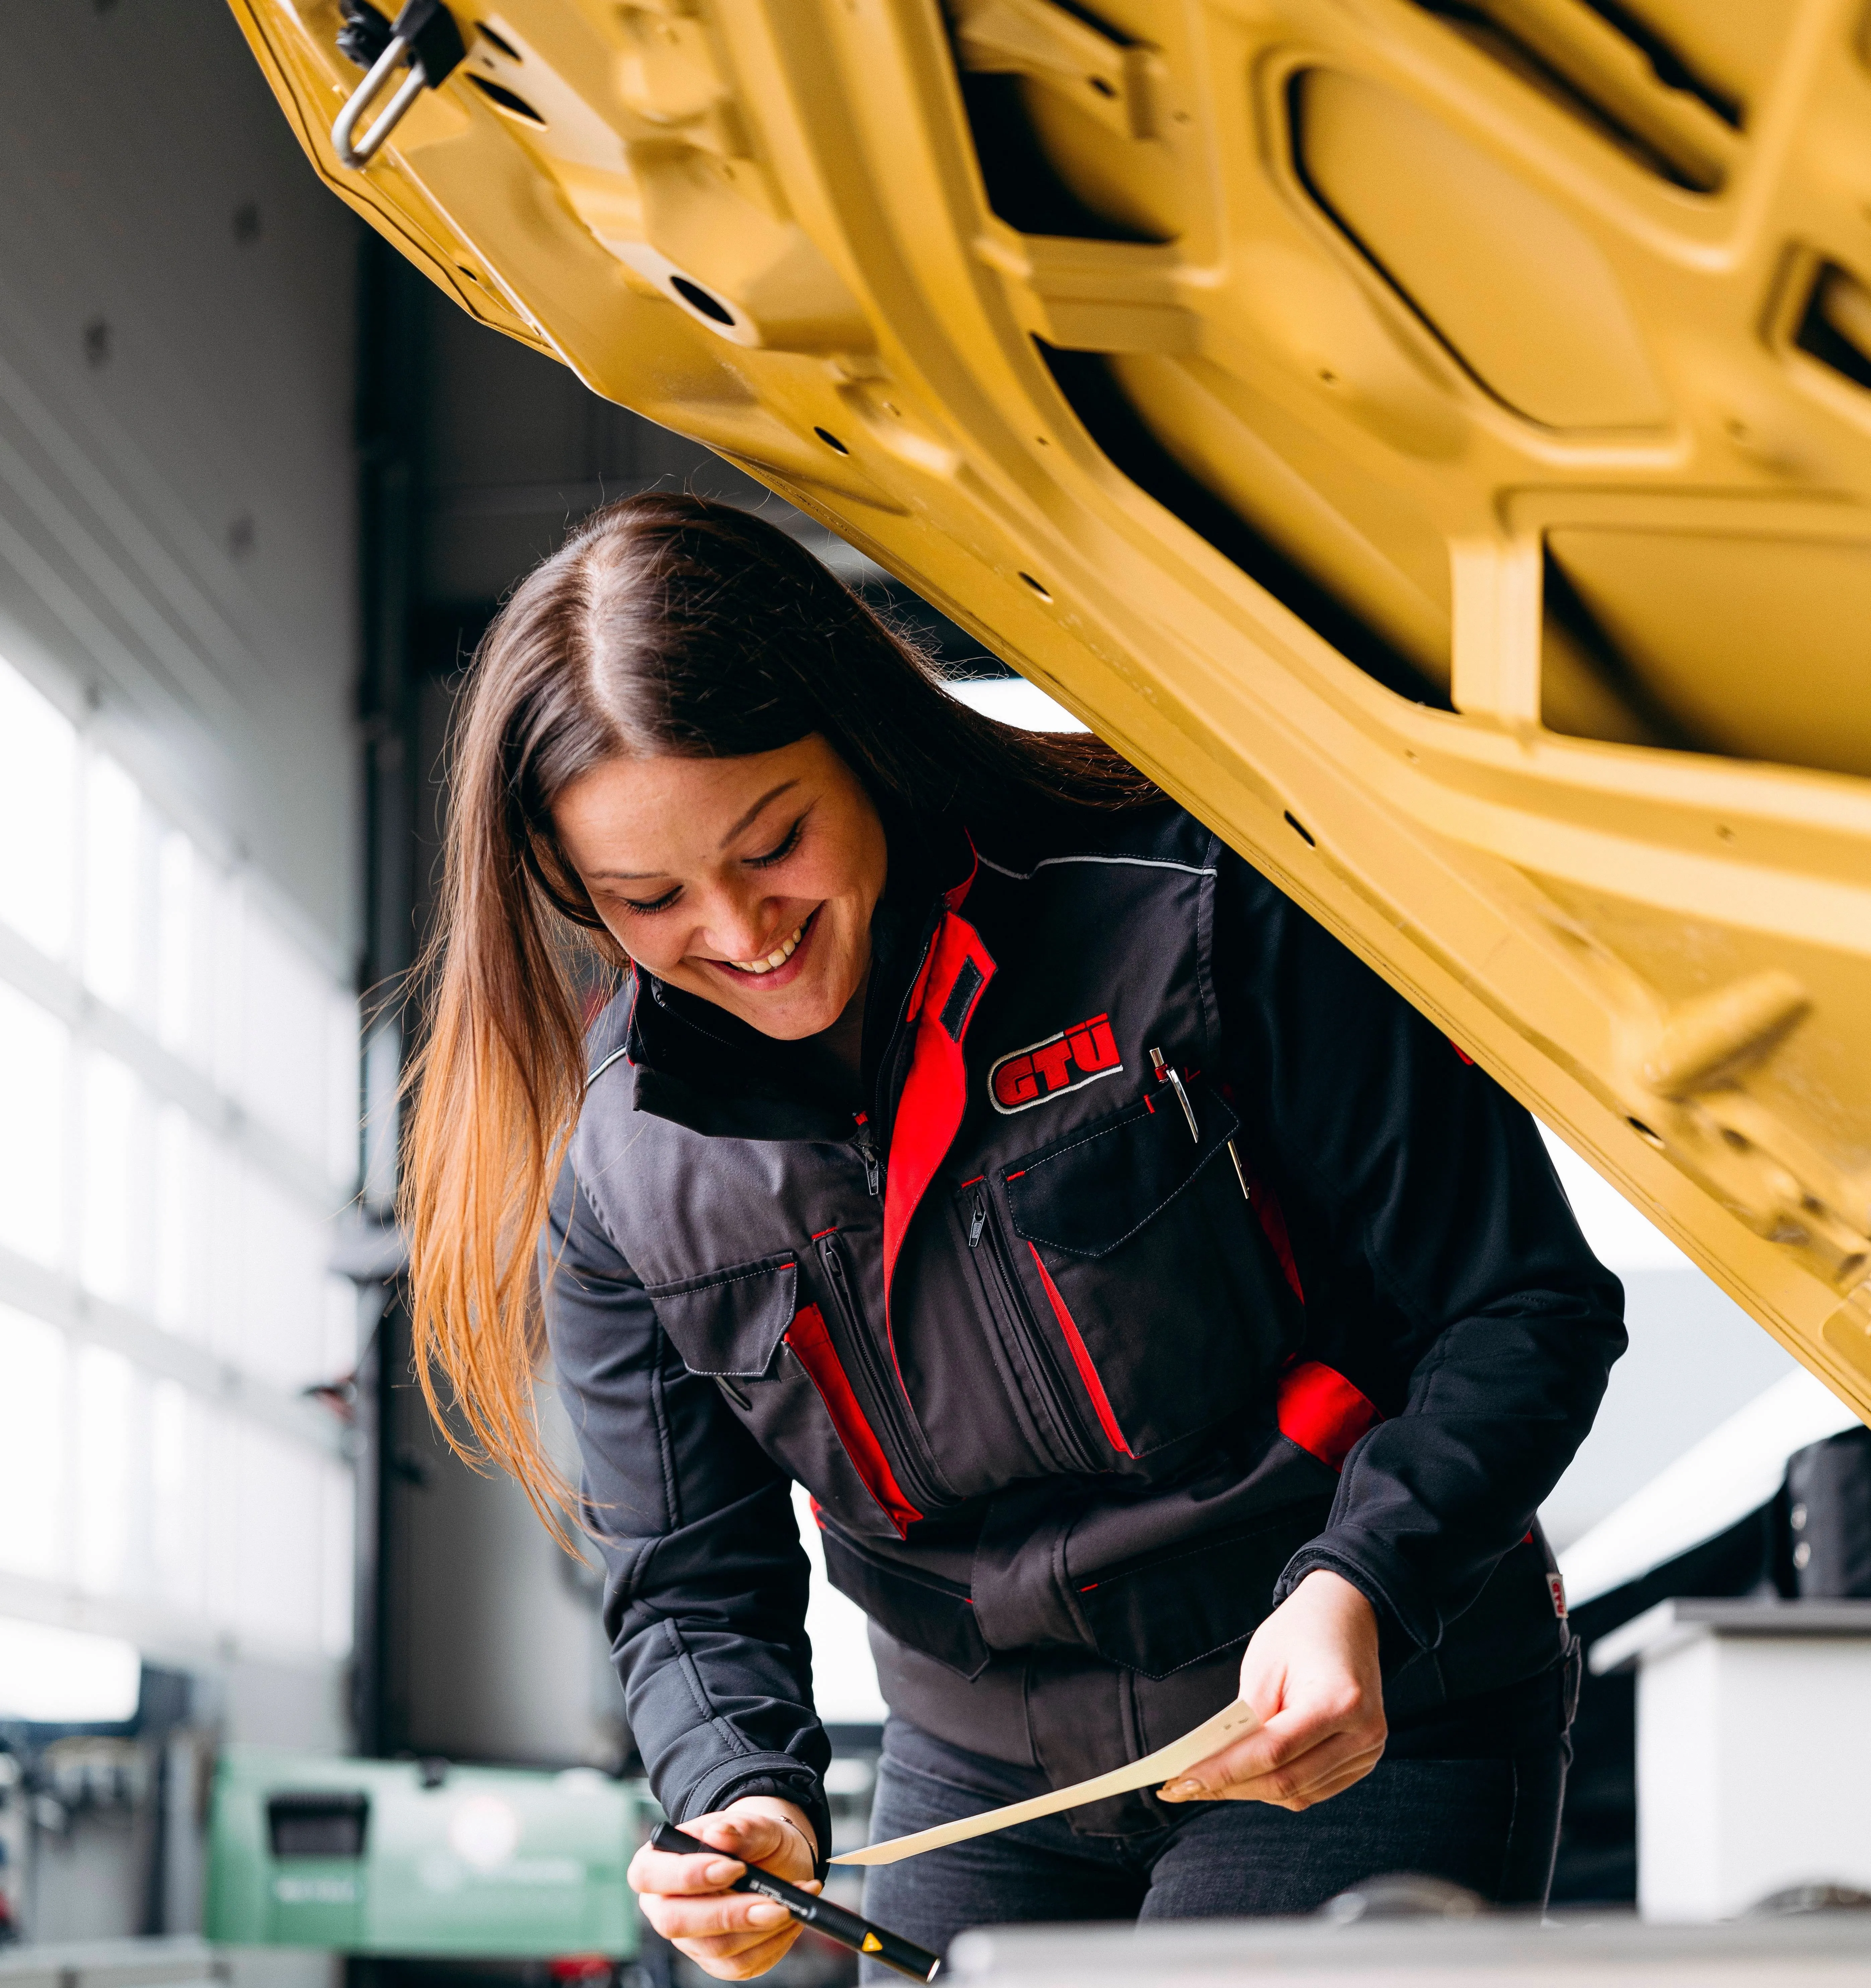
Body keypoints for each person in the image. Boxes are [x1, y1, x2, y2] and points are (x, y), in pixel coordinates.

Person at [404, 493, 1625, 1980]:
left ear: (863, 738)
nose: (737, 932)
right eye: (647, 899)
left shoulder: (1208, 913)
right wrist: (740, 1791)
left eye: (774, 842)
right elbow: (686, 1573)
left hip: (1355, 1701)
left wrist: (1357, 1581)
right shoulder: (623, 1177)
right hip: (986, 1766)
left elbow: (1520, 1308)